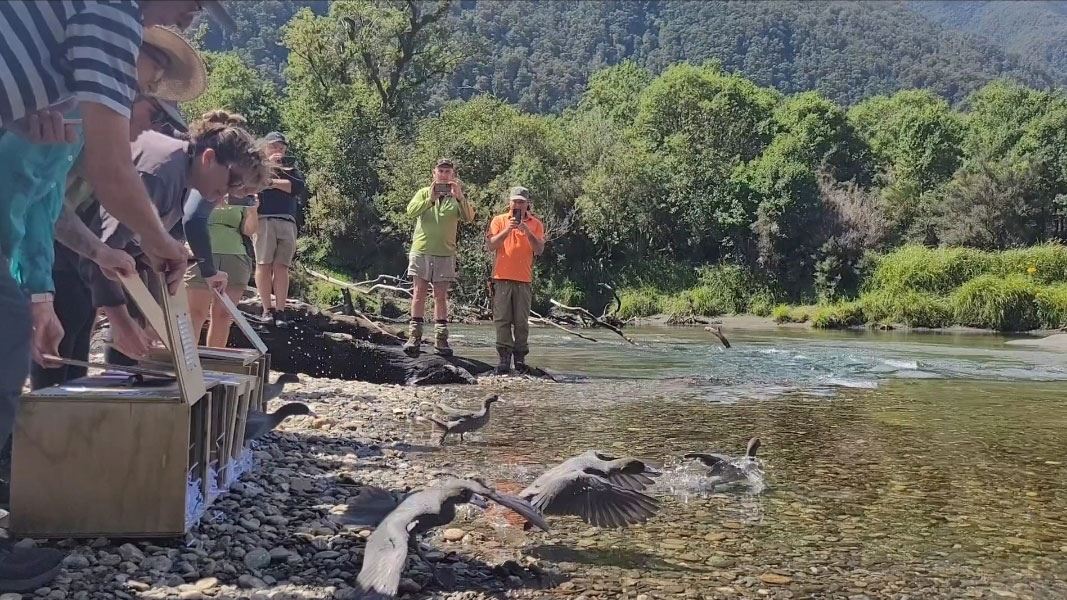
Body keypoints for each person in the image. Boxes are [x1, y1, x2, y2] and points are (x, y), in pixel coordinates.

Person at [0, 0, 235, 590]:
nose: (189, 17)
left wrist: (66, 276)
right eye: (148, 86)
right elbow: (108, 176)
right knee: (7, 333)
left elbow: (44, 210)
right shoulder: (110, 16)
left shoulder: (58, 105)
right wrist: (160, 245)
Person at [31, 26, 208, 390]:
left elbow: (48, 208)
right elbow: (28, 199)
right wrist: (39, 295)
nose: (149, 131)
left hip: (40, 262)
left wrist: (100, 253)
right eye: (153, 114)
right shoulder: (65, 117)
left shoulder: (92, 142)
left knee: (71, 331)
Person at [77, 111, 272, 367]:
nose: (228, 194)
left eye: (238, 190)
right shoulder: (161, 174)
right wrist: (120, 320)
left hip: (100, 258)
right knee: (67, 354)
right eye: (232, 182)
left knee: (131, 344)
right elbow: (102, 252)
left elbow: (143, 245)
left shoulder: (185, 178)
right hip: (71, 250)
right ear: (209, 158)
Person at [403, 158, 476, 357]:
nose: (443, 174)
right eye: (440, 171)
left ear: (453, 176)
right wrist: (431, 200)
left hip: (445, 253)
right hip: (422, 250)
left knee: (440, 297)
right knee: (418, 294)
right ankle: (414, 338)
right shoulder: (423, 193)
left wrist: (460, 197)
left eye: (447, 172)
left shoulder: (456, 197)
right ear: (434, 173)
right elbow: (410, 212)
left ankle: (441, 341)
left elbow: (469, 217)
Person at [185, 191, 260, 347]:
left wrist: (253, 210)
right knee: (195, 313)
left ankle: (213, 363)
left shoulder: (240, 193)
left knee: (224, 315)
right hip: (199, 253)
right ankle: (187, 364)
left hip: (235, 257)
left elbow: (248, 230)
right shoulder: (202, 190)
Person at [486, 187, 545, 374]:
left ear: (528, 203)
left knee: (521, 321)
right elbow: (491, 245)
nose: (518, 204)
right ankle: (504, 358)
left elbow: (539, 249)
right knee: (502, 319)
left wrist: (527, 231)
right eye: (515, 201)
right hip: (501, 278)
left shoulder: (536, 224)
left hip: (524, 280)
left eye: (521, 201)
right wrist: (507, 230)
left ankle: (520, 358)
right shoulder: (498, 220)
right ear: (509, 202)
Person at [252, 132, 306, 322]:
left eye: (281, 148)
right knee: (263, 264)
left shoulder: (291, 169)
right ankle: (267, 309)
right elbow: (253, 186)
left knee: (282, 266)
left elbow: (297, 187)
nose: (278, 151)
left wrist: (273, 182)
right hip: (264, 219)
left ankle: (281, 310)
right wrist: (272, 175)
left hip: (287, 221)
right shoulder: (257, 167)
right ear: (265, 148)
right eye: (274, 147)